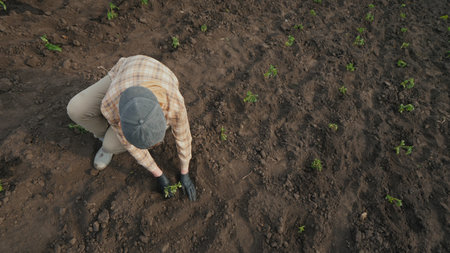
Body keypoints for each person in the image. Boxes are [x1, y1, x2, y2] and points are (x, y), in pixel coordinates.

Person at [66, 55, 196, 201]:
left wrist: (185, 172)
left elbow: (183, 137)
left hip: (151, 72)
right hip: (123, 74)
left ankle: (118, 133)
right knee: (82, 115)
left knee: (113, 141)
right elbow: (132, 147)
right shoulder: (109, 105)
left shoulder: (174, 104)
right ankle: (103, 136)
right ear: (121, 123)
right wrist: (159, 174)